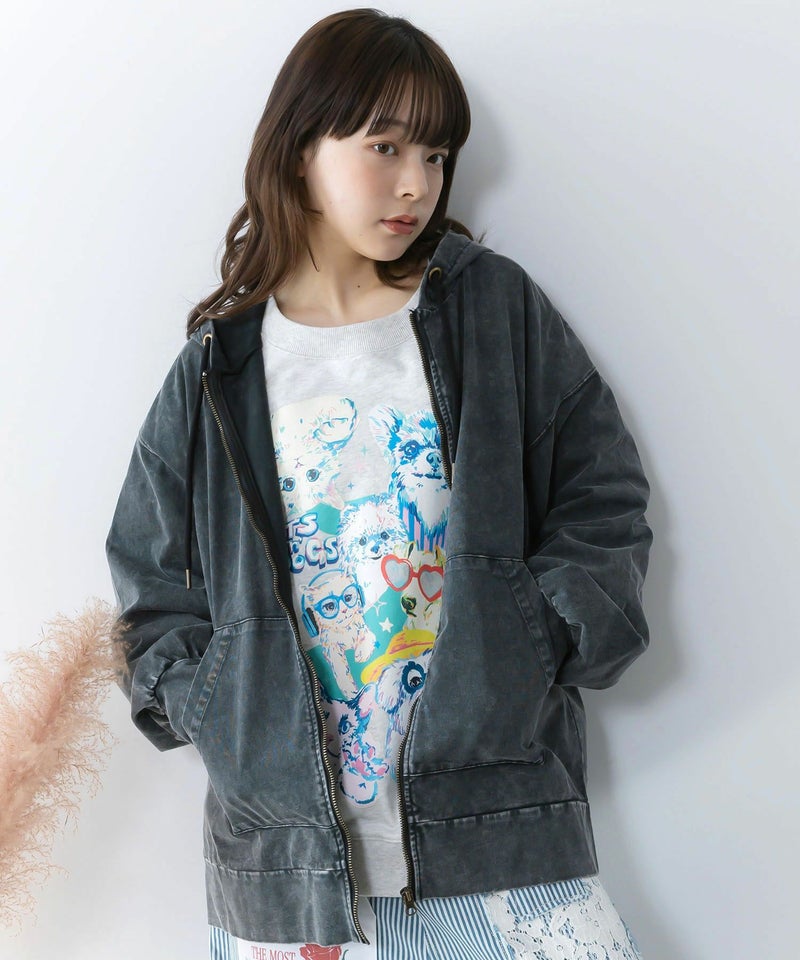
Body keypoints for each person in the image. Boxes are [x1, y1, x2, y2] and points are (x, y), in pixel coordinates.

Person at [105, 9, 653, 959]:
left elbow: (602, 493)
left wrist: (536, 635)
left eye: (435, 154)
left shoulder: (489, 310)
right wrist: (215, 707)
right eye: (385, 146)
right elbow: (151, 587)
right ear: (300, 151)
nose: (416, 184)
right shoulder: (217, 373)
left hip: (498, 821)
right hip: (291, 873)